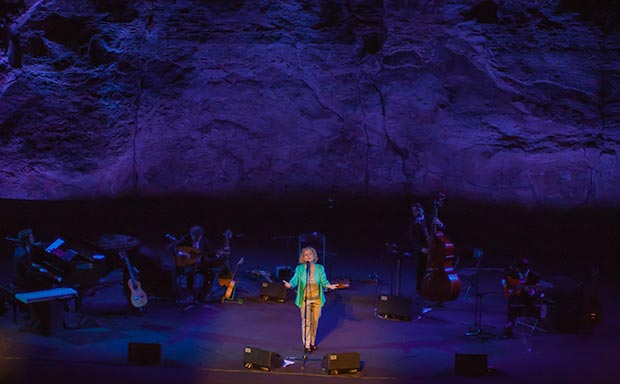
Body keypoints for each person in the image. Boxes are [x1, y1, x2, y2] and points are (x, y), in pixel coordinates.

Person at [283, 247, 338, 354]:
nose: (308, 256)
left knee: (315, 321)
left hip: (317, 298)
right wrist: (290, 285)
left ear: (314, 256)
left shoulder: (320, 268)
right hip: (305, 299)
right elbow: (295, 280)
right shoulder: (300, 269)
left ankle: (312, 341)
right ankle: (307, 344)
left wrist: (329, 286)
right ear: (303, 257)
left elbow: (324, 280)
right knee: (306, 321)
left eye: (310, 254)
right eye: (306, 255)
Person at [173, 225, 219, 303]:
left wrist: (217, 255)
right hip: (188, 265)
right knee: (189, 272)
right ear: (191, 234)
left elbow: (209, 253)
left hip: (201, 265)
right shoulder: (186, 239)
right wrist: (184, 254)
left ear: (201, 235)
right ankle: (190, 294)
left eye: (197, 237)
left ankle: (203, 294)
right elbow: (176, 250)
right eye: (193, 236)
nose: (195, 239)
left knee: (211, 273)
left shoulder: (205, 241)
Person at [407, 202, 443, 295]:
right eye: (415, 211)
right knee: (421, 269)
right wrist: (421, 249)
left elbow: (443, 228)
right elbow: (412, 240)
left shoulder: (431, 218)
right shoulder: (412, 224)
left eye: (418, 209)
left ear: (422, 209)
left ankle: (438, 287)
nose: (417, 212)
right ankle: (420, 289)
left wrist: (440, 224)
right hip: (422, 250)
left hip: (434, 248)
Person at [501, 257, 541, 338]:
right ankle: (508, 328)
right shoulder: (512, 273)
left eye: (518, 268)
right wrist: (507, 285)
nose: (516, 270)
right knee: (513, 302)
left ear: (524, 268)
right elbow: (504, 281)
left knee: (513, 306)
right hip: (516, 298)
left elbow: (537, 291)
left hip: (528, 300)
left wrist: (532, 292)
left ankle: (508, 326)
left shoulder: (534, 276)